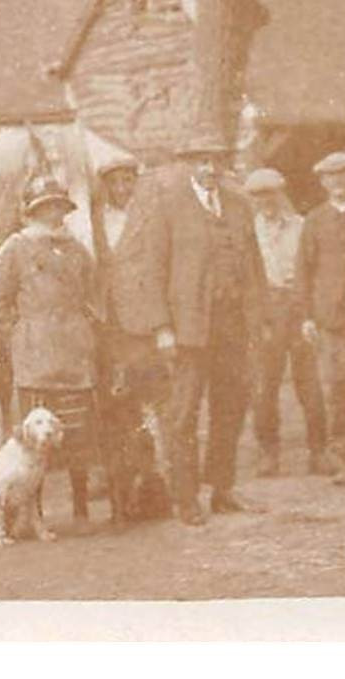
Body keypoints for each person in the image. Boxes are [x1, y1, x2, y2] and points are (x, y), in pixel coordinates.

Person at [114, 130, 269, 526]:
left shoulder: (237, 206)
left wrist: (257, 319)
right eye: (201, 160)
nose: (209, 168)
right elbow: (153, 268)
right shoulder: (168, 206)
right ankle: (186, 499)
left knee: (231, 407)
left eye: (216, 160)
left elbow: (253, 266)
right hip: (188, 329)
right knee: (183, 413)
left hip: (232, 324)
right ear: (187, 164)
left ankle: (222, 488)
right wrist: (162, 327)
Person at [0, 175, 108, 530]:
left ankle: (81, 510)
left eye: (58, 205)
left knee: (78, 437)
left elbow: (95, 292)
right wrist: (21, 336)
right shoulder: (14, 249)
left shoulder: (76, 248)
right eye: (45, 206)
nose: (53, 212)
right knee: (32, 444)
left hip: (75, 355)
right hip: (35, 358)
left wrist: (87, 328)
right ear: (32, 211)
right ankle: (30, 516)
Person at [244, 167, 330, 478]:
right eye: (258, 195)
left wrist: (309, 310)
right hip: (266, 309)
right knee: (265, 385)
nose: (266, 200)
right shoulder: (247, 232)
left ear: (281, 193)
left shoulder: (302, 226)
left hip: (298, 305)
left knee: (309, 382)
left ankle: (319, 451)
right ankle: (269, 453)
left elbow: (314, 268)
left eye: (271, 193)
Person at [296, 151, 345, 485]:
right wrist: (307, 316)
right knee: (337, 389)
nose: (337, 182)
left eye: (344, 174)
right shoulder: (314, 220)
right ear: (322, 182)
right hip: (330, 319)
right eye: (330, 176)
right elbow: (303, 271)